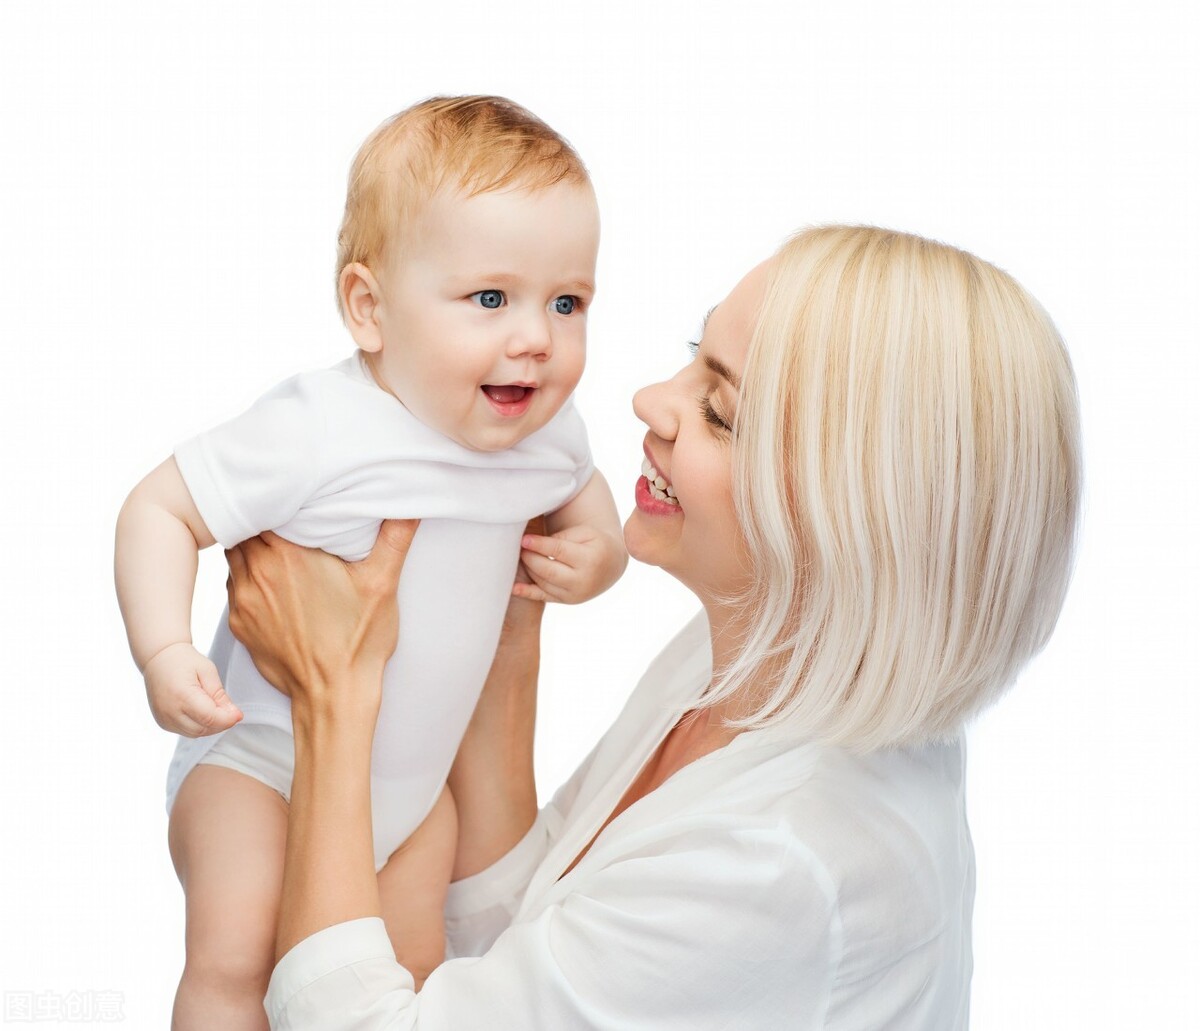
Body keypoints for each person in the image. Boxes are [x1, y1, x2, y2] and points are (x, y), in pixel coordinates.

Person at [223, 225, 1082, 1029]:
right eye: (692, 359)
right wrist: (508, 632)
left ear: (851, 520)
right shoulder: (767, 654)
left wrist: (334, 694)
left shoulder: (784, 861)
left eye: (720, 411)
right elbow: (534, 934)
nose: (650, 402)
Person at [113, 96, 626, 1027]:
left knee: (407, 978)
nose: (535, 337)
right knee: (237, 959)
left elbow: (594, 519)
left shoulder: (548, 438)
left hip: (414, 794)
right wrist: (162, 650)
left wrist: (596, 563)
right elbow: (158, 507)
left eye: (567, 301)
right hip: (263, 764)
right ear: (369, 309)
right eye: (489, 298)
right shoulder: (321, 429)